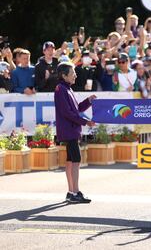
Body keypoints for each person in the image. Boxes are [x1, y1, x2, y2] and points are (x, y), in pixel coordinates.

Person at [54, 62, 96, 204]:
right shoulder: (61, 89)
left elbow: (76, 109)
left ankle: (71, 192)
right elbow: (67, 113)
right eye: (72, 73)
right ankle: (75, 192)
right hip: (69, 130)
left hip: (71, 130)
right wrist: (85, 122)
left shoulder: (67, 89)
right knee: (75, 160)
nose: (75, 75)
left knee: (71, 160)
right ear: (64, 75)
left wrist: (88, 101)